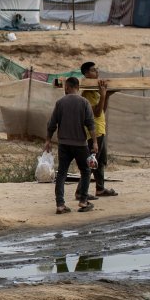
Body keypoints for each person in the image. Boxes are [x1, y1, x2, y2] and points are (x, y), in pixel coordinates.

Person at [44, 77, 97, 214]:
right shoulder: (84, 102)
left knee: (61, 173)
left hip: (64, 144)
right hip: (80, 144)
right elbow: (91, 124)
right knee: (86, 171)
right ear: (78, 88)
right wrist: (95, 142)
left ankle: (60, 205)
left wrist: (48, 140)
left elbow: (52, 124)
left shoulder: (60, 103)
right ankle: (83, 201)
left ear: (67, 87)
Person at [80, 62, 118, 198]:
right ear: (86, 74)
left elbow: (102, 110)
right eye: (93, 70)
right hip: (94, 132)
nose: (97, 72)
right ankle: (80, 192)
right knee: (92, 161)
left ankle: (100, 189)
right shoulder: (87, 93)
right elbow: (95, 113)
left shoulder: (95, 90)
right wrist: (102, 95)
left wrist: (106, 96)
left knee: (100, 161)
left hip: (100, 129)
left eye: (97, 69)